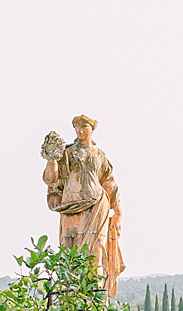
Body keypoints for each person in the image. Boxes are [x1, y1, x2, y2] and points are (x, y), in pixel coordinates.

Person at [41, 114, 124, 297]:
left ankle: (96, 304)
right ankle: (69, 303)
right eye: (77, 127)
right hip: (71, 208)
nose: (80, 131)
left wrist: (117, 210)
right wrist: (51, 160)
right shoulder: (67, 153)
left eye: (84, 127)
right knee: (69, 251)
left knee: (95, 255)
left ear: (92, 129)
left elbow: (109, 182)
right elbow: (52, 180)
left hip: (97, 208)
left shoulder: (99, 155)